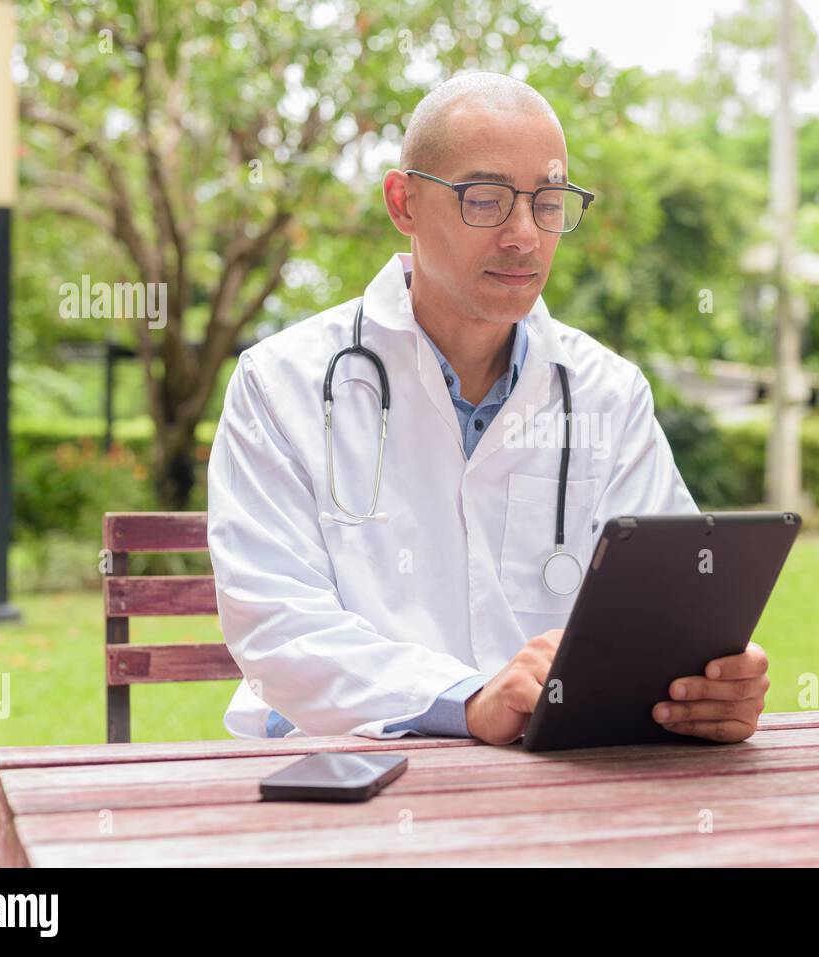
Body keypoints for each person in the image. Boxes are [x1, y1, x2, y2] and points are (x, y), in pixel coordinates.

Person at [207, 71, 770, 747]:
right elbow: (277, 623)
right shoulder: (282, 383)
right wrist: (465, 700)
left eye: (549, 201)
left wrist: (705, 688)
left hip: (546, 775)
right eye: (486, 199)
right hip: (342, 766)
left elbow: (673, 603)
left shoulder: (607, 393)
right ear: (404, 202)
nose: (525, 235)